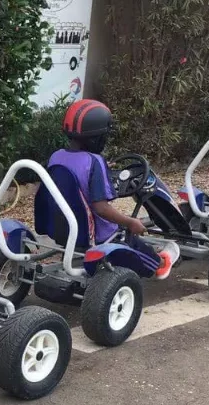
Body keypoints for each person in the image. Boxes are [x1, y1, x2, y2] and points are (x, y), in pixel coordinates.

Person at [48, 99, 180, 279]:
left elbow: (76, 181)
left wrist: (104, 169)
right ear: (97, 137)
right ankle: (160, 263)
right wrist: (130, 222)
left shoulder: (56, 157)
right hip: (98, 236)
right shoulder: (95, 162)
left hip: (66, 228)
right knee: (136, 246)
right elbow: (101, 208)